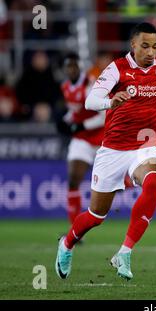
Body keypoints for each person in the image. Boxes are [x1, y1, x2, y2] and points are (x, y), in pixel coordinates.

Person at [55, 22, 156, 281]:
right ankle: (66, 244)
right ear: (133, 45)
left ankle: (124, 252)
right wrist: (110, 101)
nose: (150, 52)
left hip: (147, 143)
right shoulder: (117, 69)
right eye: (145, 46)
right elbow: (91, 100)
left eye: (155, 46)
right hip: (113, 149)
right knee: (95, 216)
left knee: (154, 181)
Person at [57, 53, 105, 225]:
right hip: (81, 140)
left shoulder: (91, 85)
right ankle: (74, 229)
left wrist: (82, 125)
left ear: (79, 66)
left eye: (73, 66)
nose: (70, 70)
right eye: (67, 67)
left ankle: (132, 182)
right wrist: (65, 121)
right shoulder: (65, 87)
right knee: (73, 179)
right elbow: (74, 111)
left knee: (113, 181)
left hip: (101, 137)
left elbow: (104, 116)